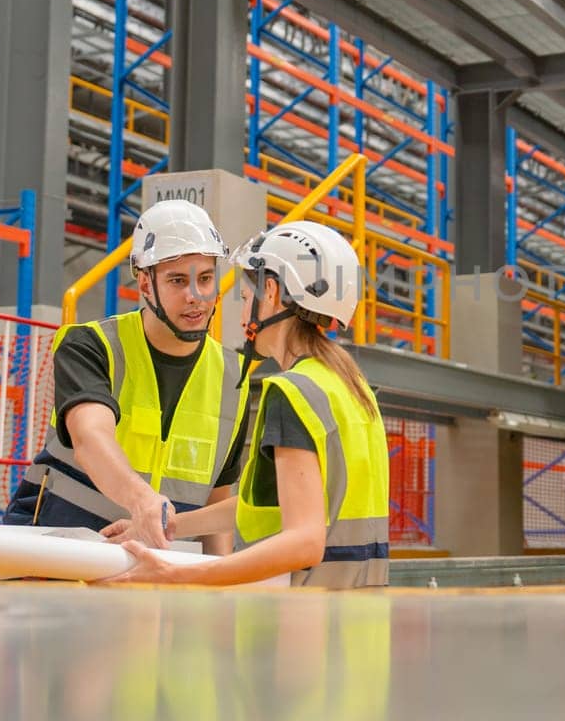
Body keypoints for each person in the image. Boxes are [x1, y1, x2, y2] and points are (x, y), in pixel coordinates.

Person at [105, 219, 389, 588]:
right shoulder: (351, 388)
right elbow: (273, 507)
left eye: (243, 296)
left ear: (269, 292)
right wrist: (173, 525)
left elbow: (305, 542)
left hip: (305, 627)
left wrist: (180, 574)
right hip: (360, 623)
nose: (240, 312)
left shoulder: (294, 393)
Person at [4, 200, 249, 549]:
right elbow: (90, 438)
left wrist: (217, 584)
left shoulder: (233, 375)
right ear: (145, 285)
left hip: (161, 571)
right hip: (60, 551)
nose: (196, 296)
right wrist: (142, 500)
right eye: (178, 281)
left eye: (206, 279)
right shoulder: (91, 346)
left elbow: (217, 497)